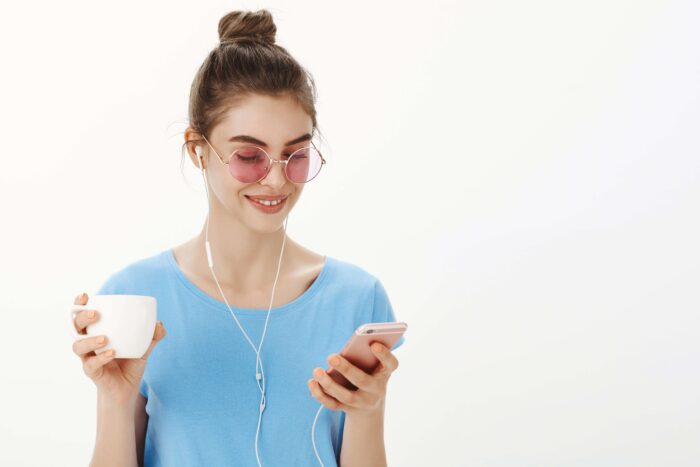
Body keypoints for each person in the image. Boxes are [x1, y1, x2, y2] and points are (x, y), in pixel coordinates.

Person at [70, 9, 405, 467]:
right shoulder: (136, 300)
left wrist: (365, 412)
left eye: (296, 154)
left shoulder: (356, 299)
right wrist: (114, 398)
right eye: (250, 155)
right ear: (198, 150)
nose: (276, 180)